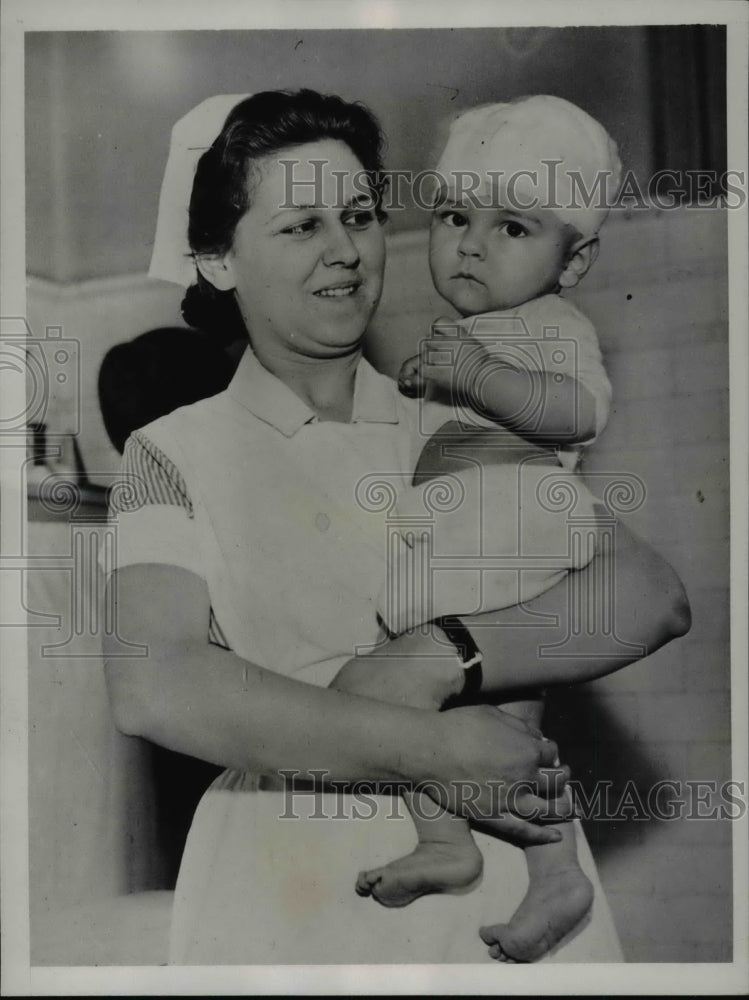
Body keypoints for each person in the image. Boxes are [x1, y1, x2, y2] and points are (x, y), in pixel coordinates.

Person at [103, 90, 689, 965]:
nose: (345, 250)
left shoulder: (457, 412)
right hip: (291, 876)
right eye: (301, 225)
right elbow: (156, 684)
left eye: (361, 215)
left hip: (503, 871)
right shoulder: (170, 453)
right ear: (218, 259)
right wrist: (432, 744)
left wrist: (442, 653)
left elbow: (650, 596)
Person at [354, 96, 623, 962]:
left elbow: (572, 413)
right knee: (411, 716)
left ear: (573, 260)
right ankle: (445, 841)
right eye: (453, 215)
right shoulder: (454, 338)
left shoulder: (553, 326)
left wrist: (475, 375)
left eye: (511, 226)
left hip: (513, 545)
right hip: (440, 554)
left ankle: (556, 874)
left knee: (507, 731)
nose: (469, 242)